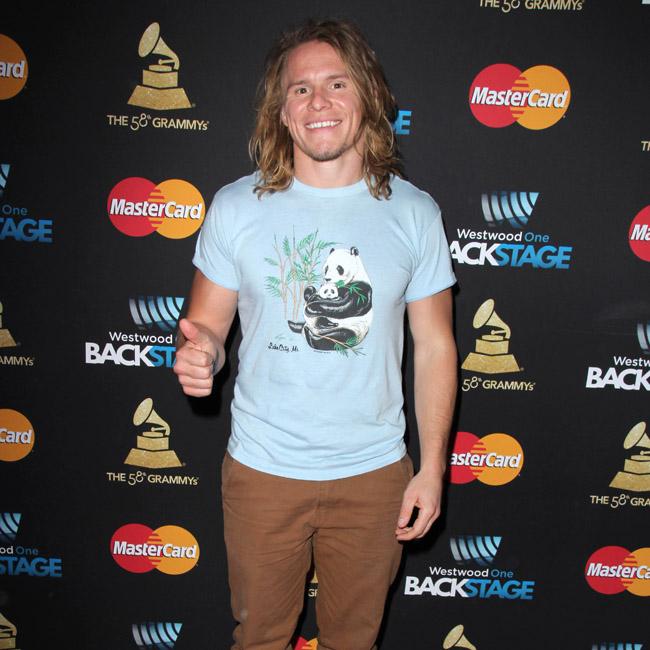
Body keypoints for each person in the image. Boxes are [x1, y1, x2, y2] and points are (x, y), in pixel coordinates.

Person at [173, 18, 457, 650]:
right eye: (300, 89)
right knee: (259, 638)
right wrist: (201, 355)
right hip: (263, 469)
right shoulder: (236, 207)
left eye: (336, 83)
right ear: (281, 111)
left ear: (368, 96)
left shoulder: (414, 212)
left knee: (354, 641)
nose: (318, 101)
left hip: (374, 474)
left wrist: (432, 468)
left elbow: (436, 346)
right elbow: (207, 327)